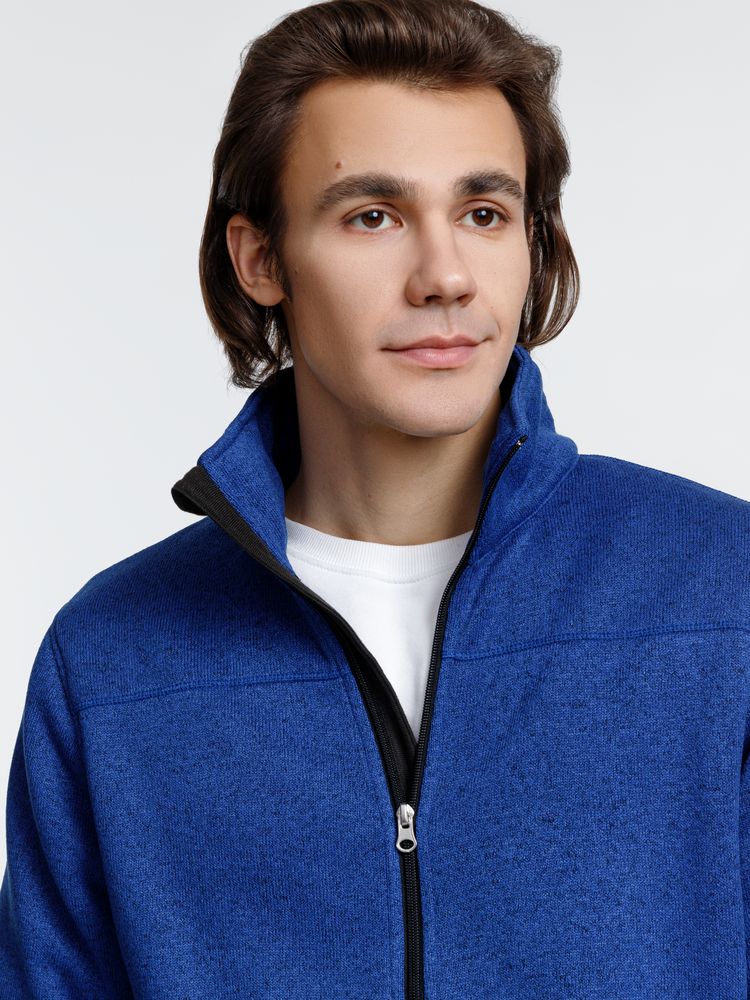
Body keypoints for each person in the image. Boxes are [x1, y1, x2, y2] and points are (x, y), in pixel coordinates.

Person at [2, 0, 749, 996]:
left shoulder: (722, 593)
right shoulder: (112, 659)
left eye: (483, 214)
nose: (445, 276)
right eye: (373, 216)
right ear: (260, 260)